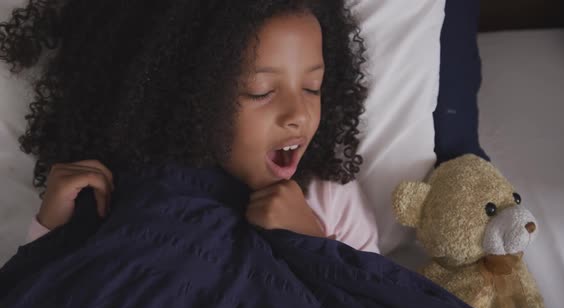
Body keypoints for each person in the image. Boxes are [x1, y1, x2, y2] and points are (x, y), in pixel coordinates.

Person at [0, 0, 379, 254]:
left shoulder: (329, 200)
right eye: (260, 92)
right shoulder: (117, 190)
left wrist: (312, 243)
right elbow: (58, 301)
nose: (298, 114)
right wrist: (51, 230)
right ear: (186, 97)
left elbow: (378, 301)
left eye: (313, 88)